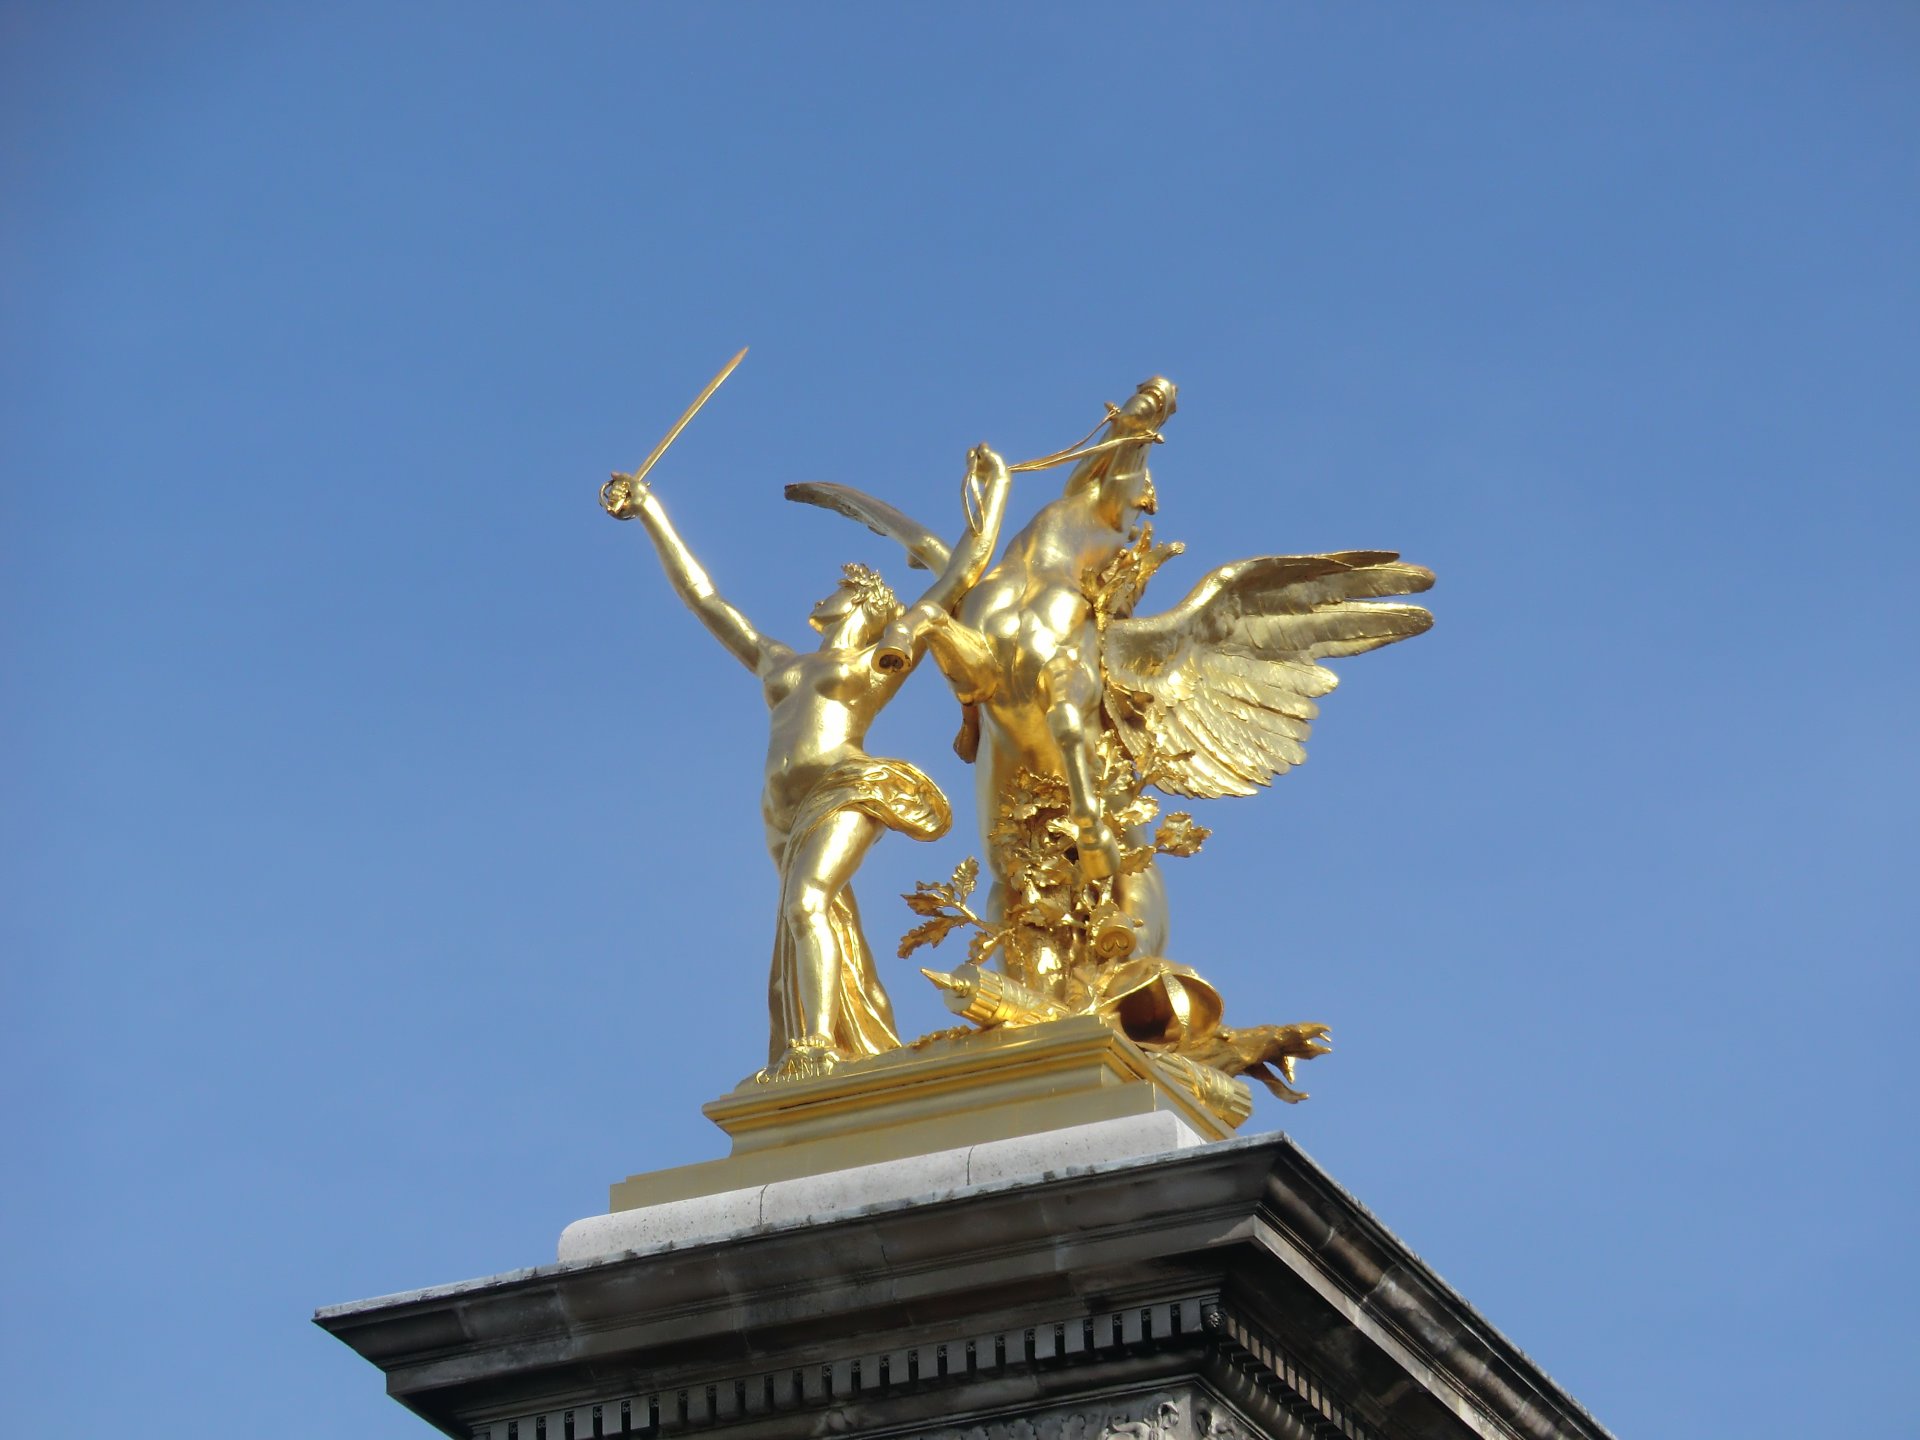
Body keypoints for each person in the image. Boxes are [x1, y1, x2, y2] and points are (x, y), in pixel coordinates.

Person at [601, 445, 1011, 1081]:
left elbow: (957, 576)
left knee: (806, 905)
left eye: (839, 587)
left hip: (846, 789)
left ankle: (813, 1049)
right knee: (812, 921)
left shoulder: (870, 666)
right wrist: (652, 512)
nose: (821, 595)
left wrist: (994, 494)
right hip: (785, 816)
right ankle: (843, 1037)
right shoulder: (781, 664)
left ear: (861, 605)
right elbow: (705, 599)